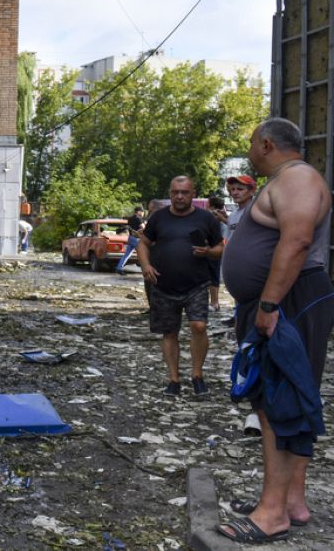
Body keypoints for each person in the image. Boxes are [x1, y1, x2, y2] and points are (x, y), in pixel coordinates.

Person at [217, 118, 333, 543]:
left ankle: (271, 515)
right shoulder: (287, 179)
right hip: (282, 299)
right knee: (289, 400)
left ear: (266, 144)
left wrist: (268, 304)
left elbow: (298, 240)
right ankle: (291, 501)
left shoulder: (298, 179)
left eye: (251, 145)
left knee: (277, 405)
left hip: (290, 300)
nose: (249, 152)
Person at [137, 176, 224, 396]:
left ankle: (197, 375)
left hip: (196, 284)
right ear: (169, 193)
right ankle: (174, 380)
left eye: (184, 192)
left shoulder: (206, 219)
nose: (180, 196)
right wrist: (146, 265)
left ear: (193, 193)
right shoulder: (159, 218)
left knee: (199, 327)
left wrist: (208, 252)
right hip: (163, 284)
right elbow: (143, 243)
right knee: (169, 332)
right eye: (175, 192)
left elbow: (220, 249)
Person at [207, 195, 228, 312]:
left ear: (211, 205)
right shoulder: (222, 215)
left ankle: (214, 303)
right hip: (218, 248)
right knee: (212, 275)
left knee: (213, 276)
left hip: (215, 248)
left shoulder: (215, 216)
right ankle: (214, 302)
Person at [115, 205, 144, 273]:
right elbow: (143, 227)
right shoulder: (138, 219)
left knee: (127, 254)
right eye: (142, 212)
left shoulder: (130, 219)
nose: (143, 213)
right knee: (143, 253)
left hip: (130, 238)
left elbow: (129, 227)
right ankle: (146, 269)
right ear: (139, 212)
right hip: (136, 239)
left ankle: (119, 268)